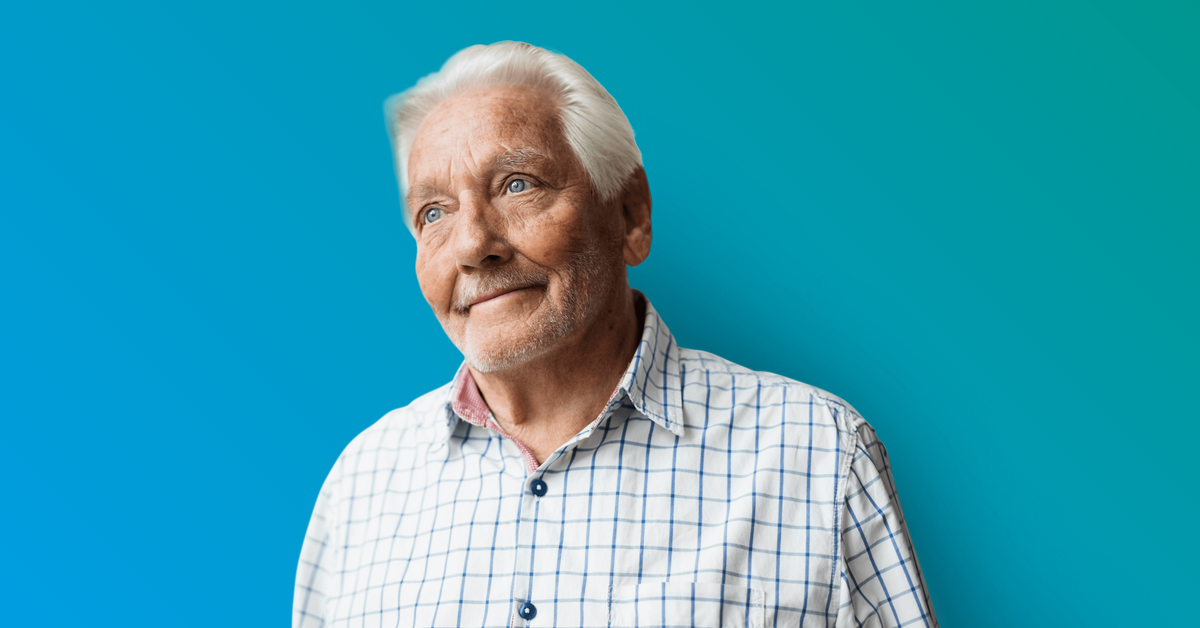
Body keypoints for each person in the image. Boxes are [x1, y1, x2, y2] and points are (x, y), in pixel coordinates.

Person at [294, 41, 937, 628]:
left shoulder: (817, 455)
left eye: (518, 185)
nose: (471, 246)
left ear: (630, 214)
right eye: (434, 213)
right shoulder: (362, 484)